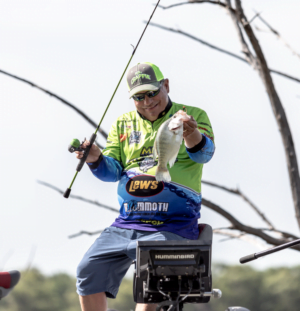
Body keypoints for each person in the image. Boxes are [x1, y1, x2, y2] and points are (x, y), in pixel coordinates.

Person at [75, 62, 215, 311]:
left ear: (166, 86)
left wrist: (190, 133)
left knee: (151, 277)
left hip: (173, 226)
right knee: (87, 269)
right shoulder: (122, 124)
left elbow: (204, 154)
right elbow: (111, 173)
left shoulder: (193, 114)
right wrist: (95, 157)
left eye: (152, 92)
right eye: (139, 96)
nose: (147, 101)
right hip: (127, 223)